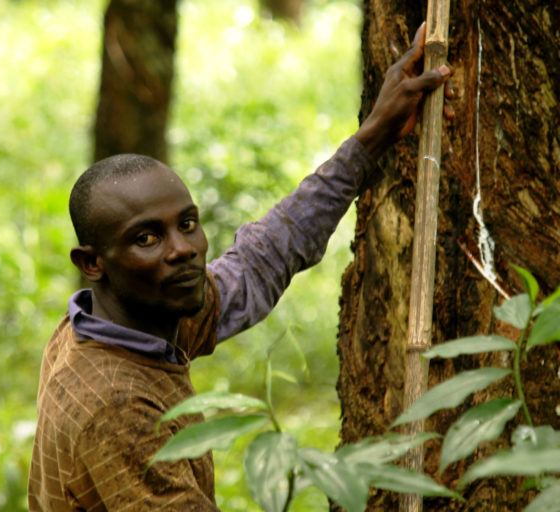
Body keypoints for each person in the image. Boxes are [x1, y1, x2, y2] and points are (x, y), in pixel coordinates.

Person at [29, 23, 454, 512]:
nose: (182, 249)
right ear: (92, 264)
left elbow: (258, 263)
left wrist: (371, 140)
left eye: (186, 224)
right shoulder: (119, 408)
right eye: (146, 238)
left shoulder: (119, 318)